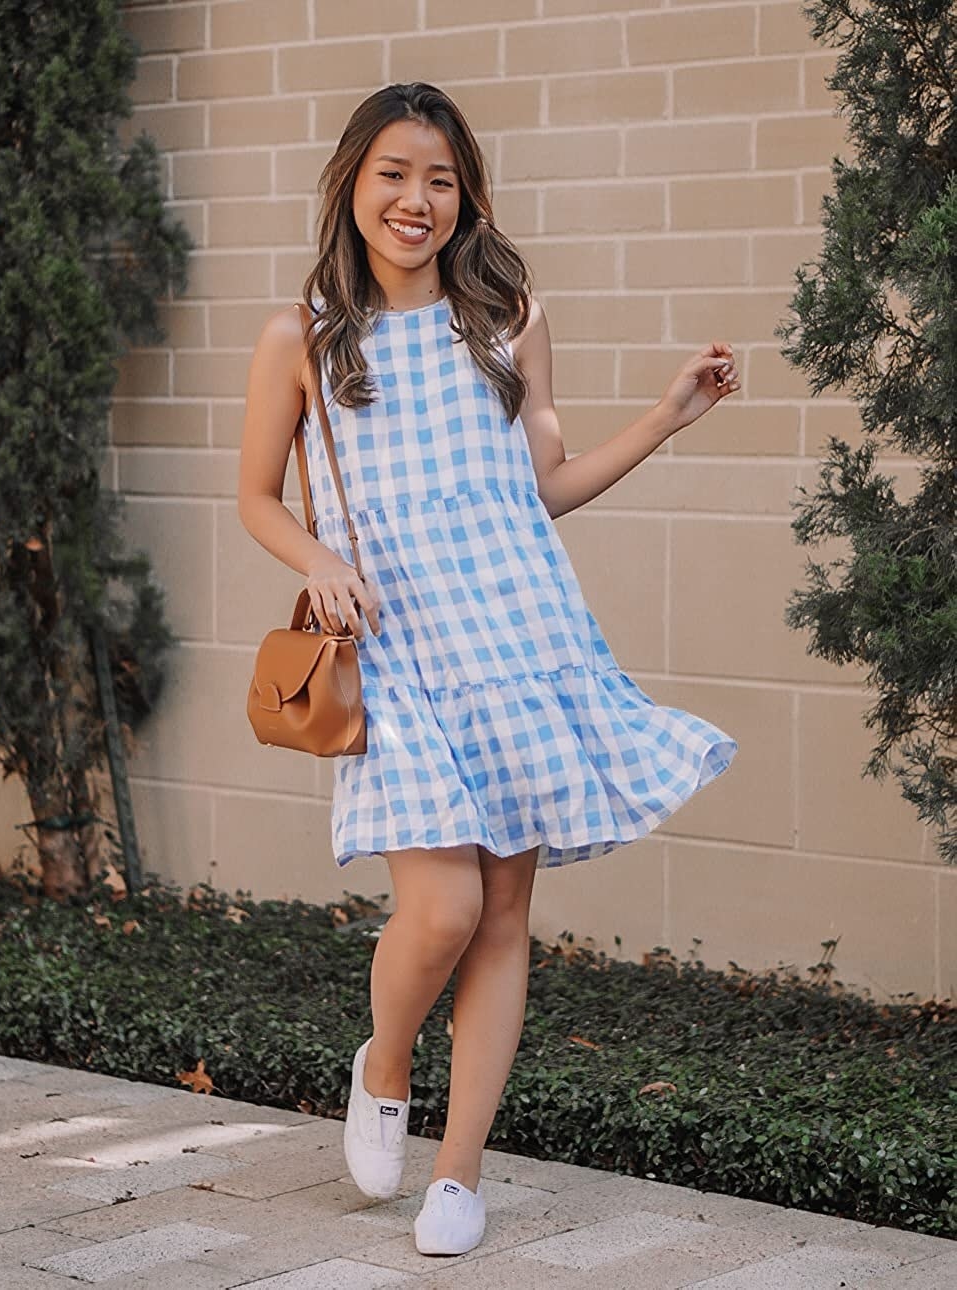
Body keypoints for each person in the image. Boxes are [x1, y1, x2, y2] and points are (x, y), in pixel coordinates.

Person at [237, 81, 740, 1258]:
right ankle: (387, 1059)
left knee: (506, 910)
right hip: (398, 646)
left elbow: (540, 493)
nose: (417, 200)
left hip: (518, 634)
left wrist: (665, 418)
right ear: (353, 183)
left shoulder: (507, 317)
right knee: (444, 906)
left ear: (466, 199)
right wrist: (318, 561)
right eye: (395, 175)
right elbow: (258, 496)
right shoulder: (301, 334)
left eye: (442, 181)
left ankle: (458, 1175)